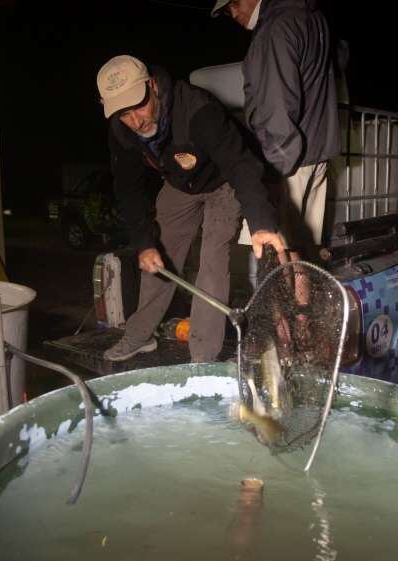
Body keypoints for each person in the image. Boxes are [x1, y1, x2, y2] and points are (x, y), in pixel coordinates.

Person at [97, 55, 284, 362]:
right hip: (180, 184)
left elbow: (240, 165)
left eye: (139, 106)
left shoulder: (198, 110)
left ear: (153, 86)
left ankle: (202, 357)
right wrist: (144, 243)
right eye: (124, 114)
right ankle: (139, 335)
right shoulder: (123, 130)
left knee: (212, 263)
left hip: (222, 181)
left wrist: (261, 222)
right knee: (157, 256)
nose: (136, 121)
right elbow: (127, 189)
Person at [211, 0, 340, 260]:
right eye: (227, 11)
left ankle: (282, 302)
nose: (233, 13)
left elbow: (276, 105)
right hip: (317, 152)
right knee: (302, 250)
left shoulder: (275, 29)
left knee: (277, 254)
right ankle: (304, 302)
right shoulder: (312, 15)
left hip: (287, 161)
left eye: (234, 4)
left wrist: (270, 172)